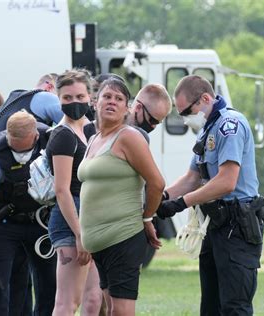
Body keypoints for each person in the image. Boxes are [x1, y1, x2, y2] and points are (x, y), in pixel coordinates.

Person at [156, 75, 264, 315]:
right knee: (211, 307)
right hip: (215, 226)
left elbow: (227, 181)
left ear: (205, 98)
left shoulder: (230, 125)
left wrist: (181, 204)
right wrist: (162, 199)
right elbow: (192, 178)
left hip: (237, 225)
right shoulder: (207, 129)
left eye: (186, 111)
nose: (185, 118)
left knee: (234, 307)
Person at [78, 78, 165, 316]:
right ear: (95, 102)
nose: (112, 102)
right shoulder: (95, 138)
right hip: (99, 243)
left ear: (128, 108)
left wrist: (147, 218)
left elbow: (157, 183)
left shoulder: (129, 137)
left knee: (122, 311)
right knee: (110, 310)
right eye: (107, 97)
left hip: (122, 237)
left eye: (119, 99)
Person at [46, 69, 101, 315]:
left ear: (90, 96)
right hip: (72, 220)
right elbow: (62, 190)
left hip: (92, 217)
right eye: (67, 98)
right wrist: (80, 235)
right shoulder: (63, 136)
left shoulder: (89, 130)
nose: (74, 103)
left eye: (79, 96)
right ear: (58, 99)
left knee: (93, 300)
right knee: (68, 302)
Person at [0, 111, 57, 316]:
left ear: (35, 136)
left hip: (42, 224)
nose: (17, 151)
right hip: (5, 225)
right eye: (13, 145)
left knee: (49, 286)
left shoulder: (52, 141)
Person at [0, 73, 63, 137]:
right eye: (63, 97)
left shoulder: (13, 98)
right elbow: (71, 124)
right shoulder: (46, 97)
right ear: (49, 87)